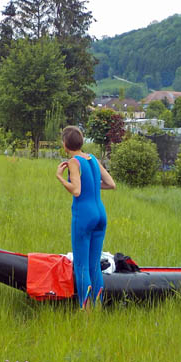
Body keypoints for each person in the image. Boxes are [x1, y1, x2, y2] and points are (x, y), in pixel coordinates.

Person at [55, 126, 116, 309]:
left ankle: (86, 310)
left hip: (84, 216)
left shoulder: (74, 161)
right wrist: (93, 189)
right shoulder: (93, 159)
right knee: (94, 265)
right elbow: (111, 184)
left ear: (65, 144)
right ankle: (97, 307)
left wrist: (60, 177)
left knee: (81, 266)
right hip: (100, 214)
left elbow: (76, 190)